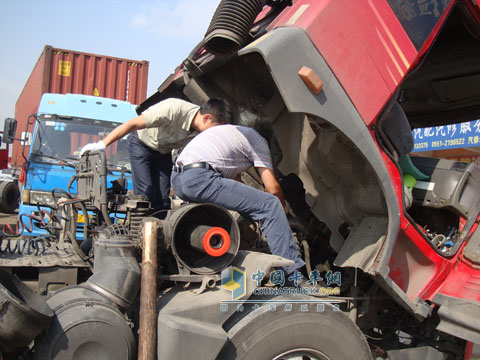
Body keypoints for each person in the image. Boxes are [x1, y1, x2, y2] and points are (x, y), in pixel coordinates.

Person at [171, 124, 305, 275]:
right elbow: (273, 188)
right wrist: (281, 216)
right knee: (270, 205)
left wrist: (254, 214)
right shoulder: (259, 142)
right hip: (199, 177)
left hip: (178, 179)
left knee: (256, 206)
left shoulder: (234, 137)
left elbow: (237, 187)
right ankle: (292, 275)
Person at [80, 98, 232, 212]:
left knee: (163, 201)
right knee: (144, 195)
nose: (215, 134)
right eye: (215, 129)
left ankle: (158, 239)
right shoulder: (173, 108)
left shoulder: (199, 134)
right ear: (206, 118)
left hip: (163, 152)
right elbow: (131, 124)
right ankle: (140, 235)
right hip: (141, 144)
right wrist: (102, 144)